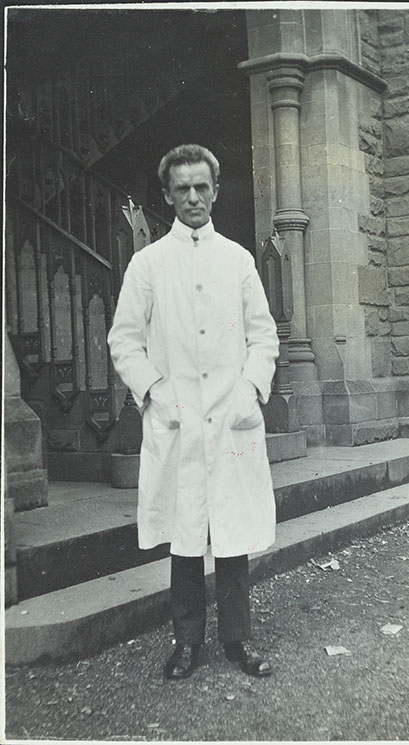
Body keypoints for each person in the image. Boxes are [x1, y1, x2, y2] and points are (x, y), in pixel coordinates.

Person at [108, 144, 279, 680]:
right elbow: (124, 341)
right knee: (185, 537)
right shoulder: (148, 263)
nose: (192, 197)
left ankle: (237, 641)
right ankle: (186, 642)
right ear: (167, 195)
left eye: (201, 186)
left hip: (231, 417)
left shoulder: (239, 260)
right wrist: (156, 392)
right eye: (181, 188)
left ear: (215, 190)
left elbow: (264, 336)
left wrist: (250, 390)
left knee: (230, 534)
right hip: (176, 418)